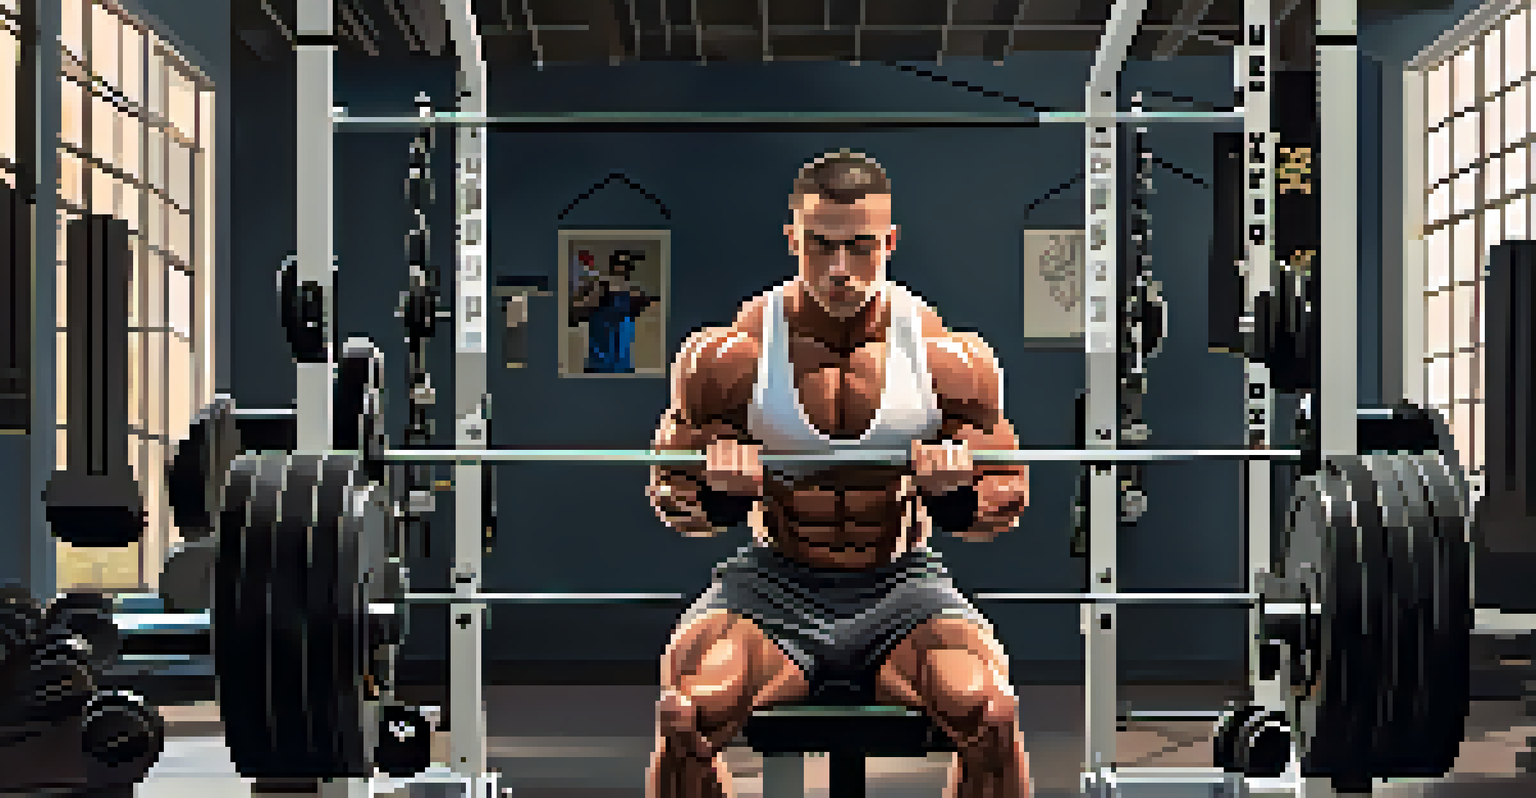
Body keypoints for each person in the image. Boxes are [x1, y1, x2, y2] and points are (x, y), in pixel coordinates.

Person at [645, 150, 1031, 798]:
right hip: (774, 587)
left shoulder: (947, 358)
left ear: (890, 241)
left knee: (992, 713)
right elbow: (669, 490)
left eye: (860, 248)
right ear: (793, 237)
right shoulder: (729, 356)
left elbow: (1008, 492)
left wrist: (958, 496)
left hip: (902, 588)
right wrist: (719, 494)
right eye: (821, 247)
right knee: (685, 715)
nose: (840, 271)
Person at [571, 249, 657, 373]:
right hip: (600, 363)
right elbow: (577, 312)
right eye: (623, 264)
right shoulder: (600, 288)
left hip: (622, 364)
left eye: (628, 265)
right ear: (615, 266)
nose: (626, 269)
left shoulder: (634, 294)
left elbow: (645, 306)